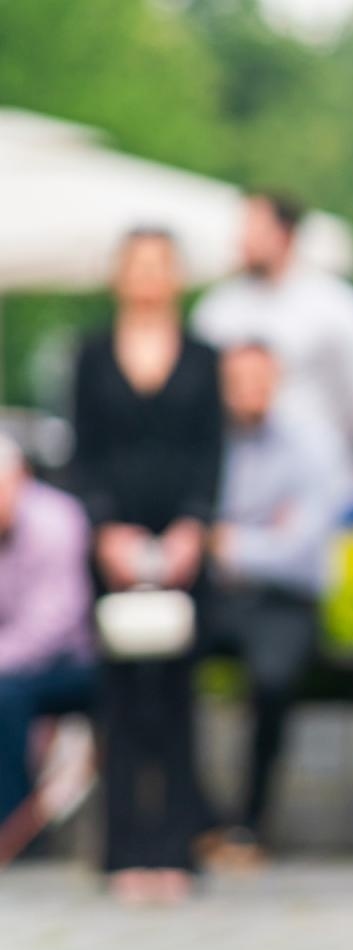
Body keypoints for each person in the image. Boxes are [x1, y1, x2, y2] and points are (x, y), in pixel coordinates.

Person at [71, 228, 223, 904]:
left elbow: (212, 451)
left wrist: (194, 524)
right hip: (114, 545)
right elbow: (81, 451)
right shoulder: (90, 355)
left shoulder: (203, 356)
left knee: (177, 696)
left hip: (185, 547)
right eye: (137, 265)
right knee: (122, 696)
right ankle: (124, 847)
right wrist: (105, 529)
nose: (149, 277)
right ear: (118, 276)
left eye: (161, 265)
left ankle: (176, 847)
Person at [203, 340, 351, 860]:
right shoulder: (205, 443)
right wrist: (266, 534)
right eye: (239, 380)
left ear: (277, 379)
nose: (250, 392)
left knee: (272, 679)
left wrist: (228, 542)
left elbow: (303, 551)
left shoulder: (312, 444)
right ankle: (202, 817)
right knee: (154, 661)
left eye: (259, 380)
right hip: (217, 600)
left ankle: (248, 823)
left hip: (285, 602)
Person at [191, 191, 353, 486]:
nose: (244, 240)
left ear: (286, 234)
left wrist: (345, 448)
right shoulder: (217, 309)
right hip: (237, 473)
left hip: (318, 471)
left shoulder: (339, 308)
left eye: (256, 229)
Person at [0, 433, 95, 829]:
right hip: (12, 658)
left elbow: (54, 623)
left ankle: (14, 822)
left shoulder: (58, 520)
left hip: (70, 661)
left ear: (21, 476)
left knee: (5, 697)